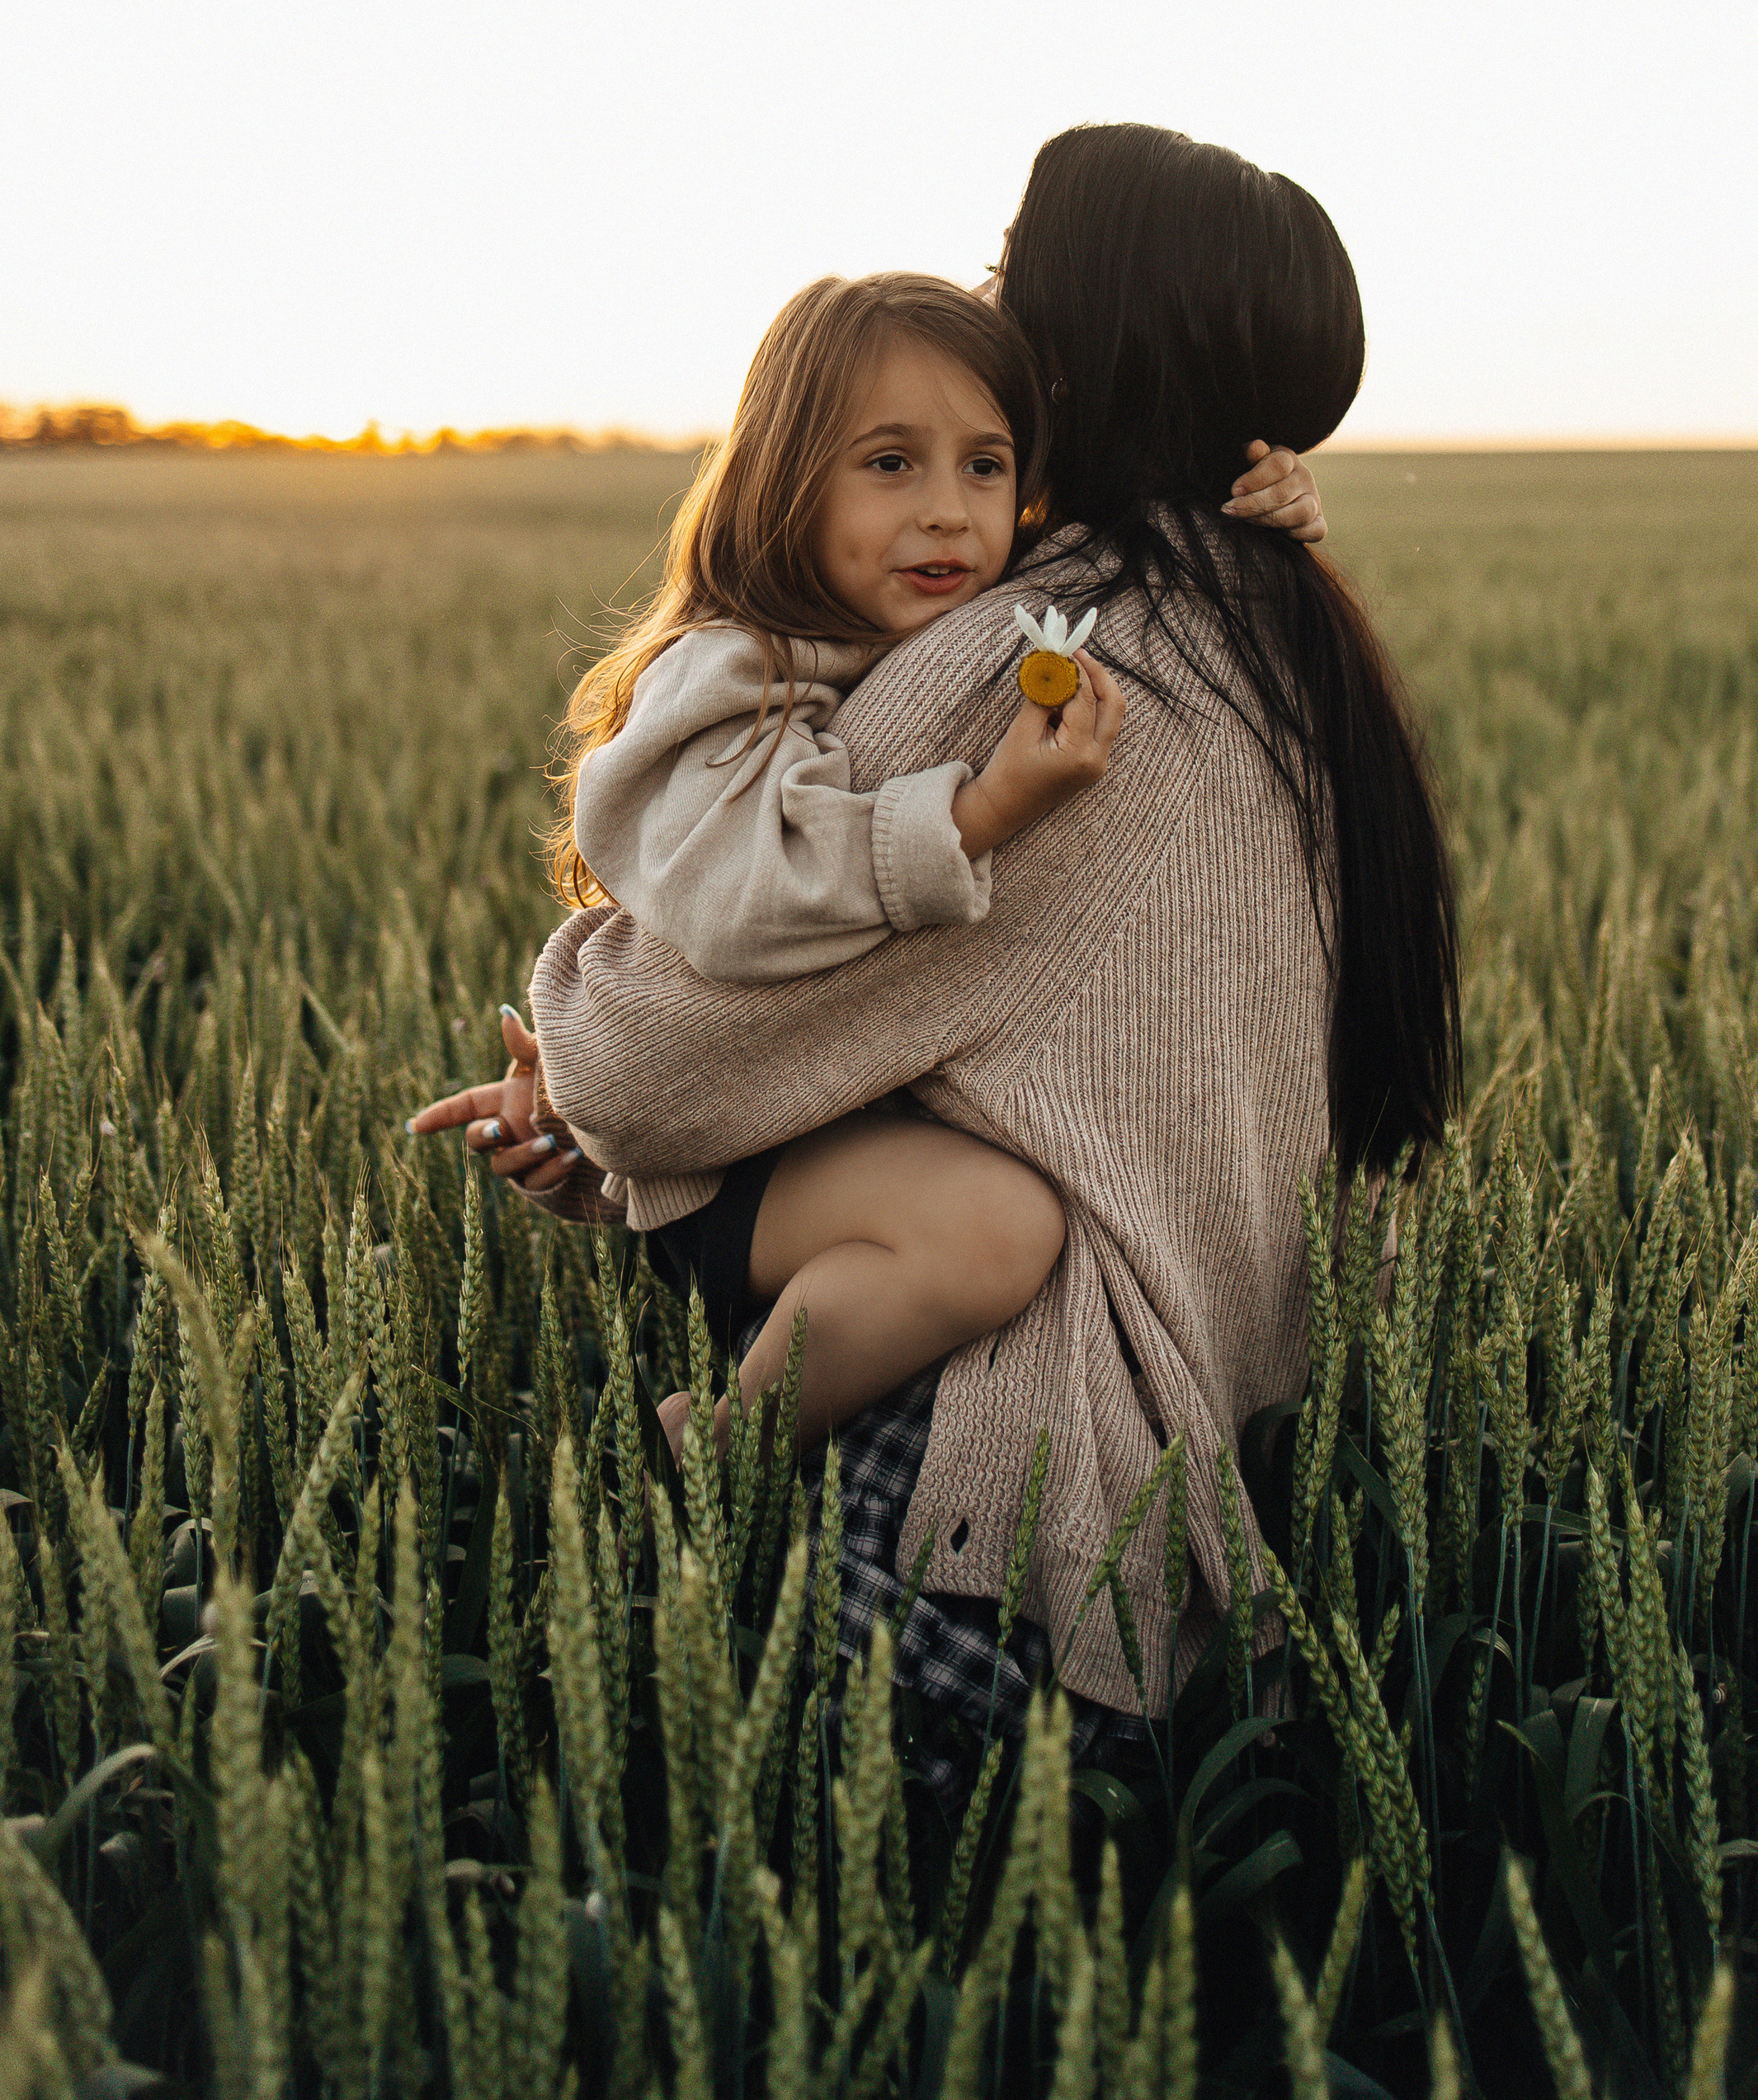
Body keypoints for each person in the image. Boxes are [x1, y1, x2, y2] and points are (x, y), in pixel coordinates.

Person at [421, 121, 1456, 1727]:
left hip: (995, 1532)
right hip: (1238, 1491)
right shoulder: (1293, 636)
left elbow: (650, 1055)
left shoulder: (1046, 670)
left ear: (1092, 334)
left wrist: (576, 1069)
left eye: (1013, 276)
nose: (990, 305)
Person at [413, 266, 1325, 1468]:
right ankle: (719, 1457)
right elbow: (753, 898)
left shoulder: (953, 611)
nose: (948, 511)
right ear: (786, 485)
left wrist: (1262, 508)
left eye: (985, 467)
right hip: (744, 1166)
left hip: (831, 1120)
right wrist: (980, 809)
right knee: (995, 1225)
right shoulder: (734, 667)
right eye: (889, 464)